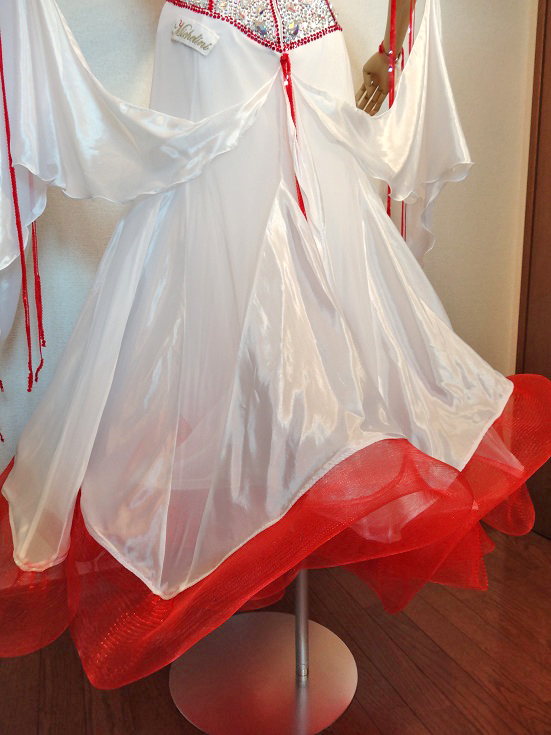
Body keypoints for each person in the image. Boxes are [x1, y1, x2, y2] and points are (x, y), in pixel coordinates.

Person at [0, 0, 550, 690]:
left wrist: (393, 45)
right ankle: (221, 523)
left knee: (323, 269)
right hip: (209, 46)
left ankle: (301, 490)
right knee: (202, 267)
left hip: (310, 52)